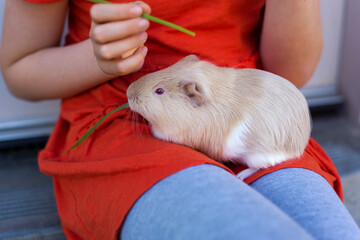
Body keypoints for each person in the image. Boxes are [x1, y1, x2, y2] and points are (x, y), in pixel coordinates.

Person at [1, 0, 359, 239]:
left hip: (252, 111)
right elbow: (19, 70)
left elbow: (290, 72)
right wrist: (97, 59)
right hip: (120, 127)